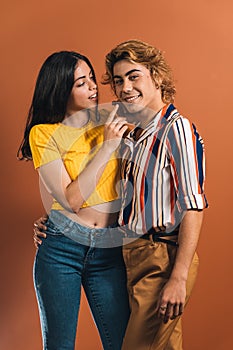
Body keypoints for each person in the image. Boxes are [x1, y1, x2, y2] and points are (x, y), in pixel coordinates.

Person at [17, 50, 130, 350]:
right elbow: (71, 201)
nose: (93, 87)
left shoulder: (111, 120)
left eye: (92, 78)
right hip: (61, 250)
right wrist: (107, 148)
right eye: (82, 82)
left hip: (109, 250)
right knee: (60, 346)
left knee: (123, 343)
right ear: (60, 88)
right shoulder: (44, 134)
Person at [101, 39, 208, 349]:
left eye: (134, 76)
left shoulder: (176, 129)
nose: (124, 87)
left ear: (157, 77)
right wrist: (58, 223)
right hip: (130, 256)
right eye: (119, 80)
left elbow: (193, 205)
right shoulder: (132, 136)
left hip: (161, 258)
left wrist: (178, 277)